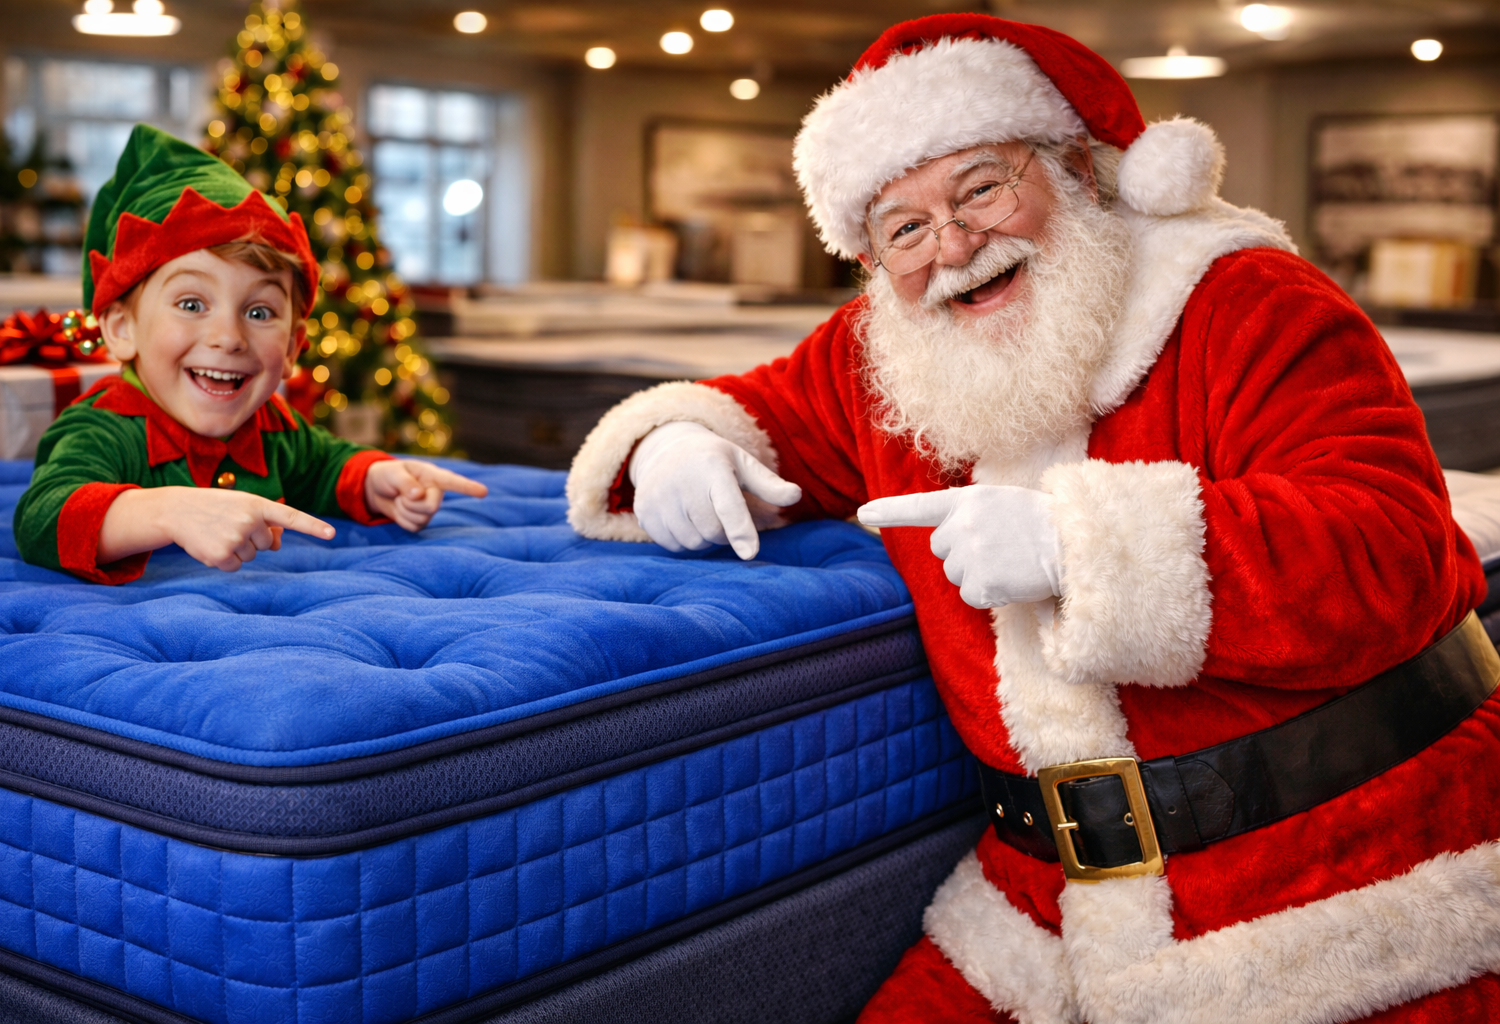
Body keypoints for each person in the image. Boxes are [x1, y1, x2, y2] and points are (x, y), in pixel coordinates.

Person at [566, 14, 1500, 1024]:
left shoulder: (1250, 299)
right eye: (904, 228)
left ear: (1079, 171)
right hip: (1046, 907)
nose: (954, 245)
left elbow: (1397, 554)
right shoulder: (884, 349)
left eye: (981, 189)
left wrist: (1079, 545)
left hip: (1363, 875)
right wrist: (677, 441)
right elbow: (764, 411)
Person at [14, 125, 484, 584]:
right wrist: (164, 511)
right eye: (191, 304)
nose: (228, 337)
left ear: (293, 346)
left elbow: (324, 466)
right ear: (122, 329)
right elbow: (43, 516)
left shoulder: (272, 426)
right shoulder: (103, 427)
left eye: (259, 312)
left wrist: (376, 478)